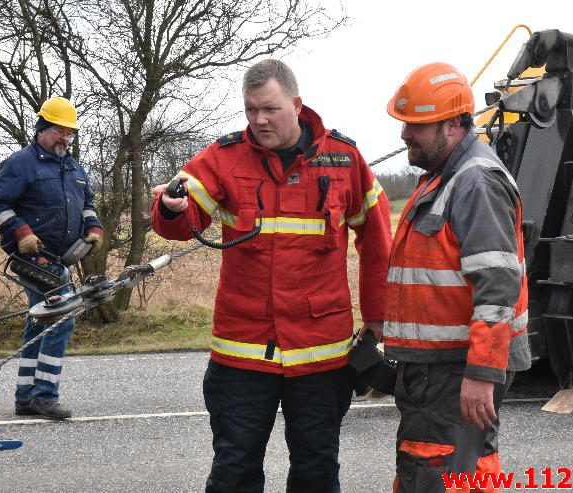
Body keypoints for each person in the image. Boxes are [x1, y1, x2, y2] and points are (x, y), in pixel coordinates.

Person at [151, 59, 392, 493]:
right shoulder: (222, 157)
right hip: (243, 352)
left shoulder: (344, 159)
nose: (258, 120)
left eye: (269, 109)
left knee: (317, 471)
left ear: (296, 105)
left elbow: (377, 245)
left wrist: (378, 319)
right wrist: (169, 209)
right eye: (250, 110)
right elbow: (179, 221)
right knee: (233, 471)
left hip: (321, 353)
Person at [383, 63, 532, 492]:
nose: (405, 134)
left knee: (438, 472)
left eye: (417, 125)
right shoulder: (444, 176)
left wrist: (482, 373)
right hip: (441, 366)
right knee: (458, 471)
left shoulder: (475, 182)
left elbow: (497, 288)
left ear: (453, 124)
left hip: (454, 367)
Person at [0, 97, 103, 420]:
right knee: (63, 314)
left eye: (69, 133)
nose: (64, 138)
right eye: (58, 131)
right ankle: (44, 395)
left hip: (60, 258)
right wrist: (21, 232)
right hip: (32, 257)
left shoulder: (74, 167)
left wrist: (93, 225)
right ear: (41, 129)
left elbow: (88, 202)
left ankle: (26, 396)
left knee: (40, 318)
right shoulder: (20, 164)